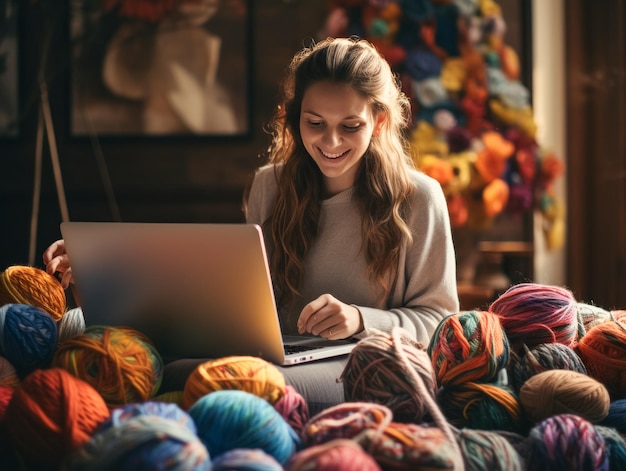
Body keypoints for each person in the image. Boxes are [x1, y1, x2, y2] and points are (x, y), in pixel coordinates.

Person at [43, 37, 459, 413]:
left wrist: (359, 320)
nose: (331, 142)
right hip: (275, 354)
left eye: (350, 126)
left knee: (229, 387)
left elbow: (440, 321)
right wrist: (101, 271)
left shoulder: (419, 198)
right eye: (315, 123)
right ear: (294, 118)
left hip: (368, 363)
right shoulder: (270, 186)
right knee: (167, 370)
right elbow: (241, 301)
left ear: (380, 121)